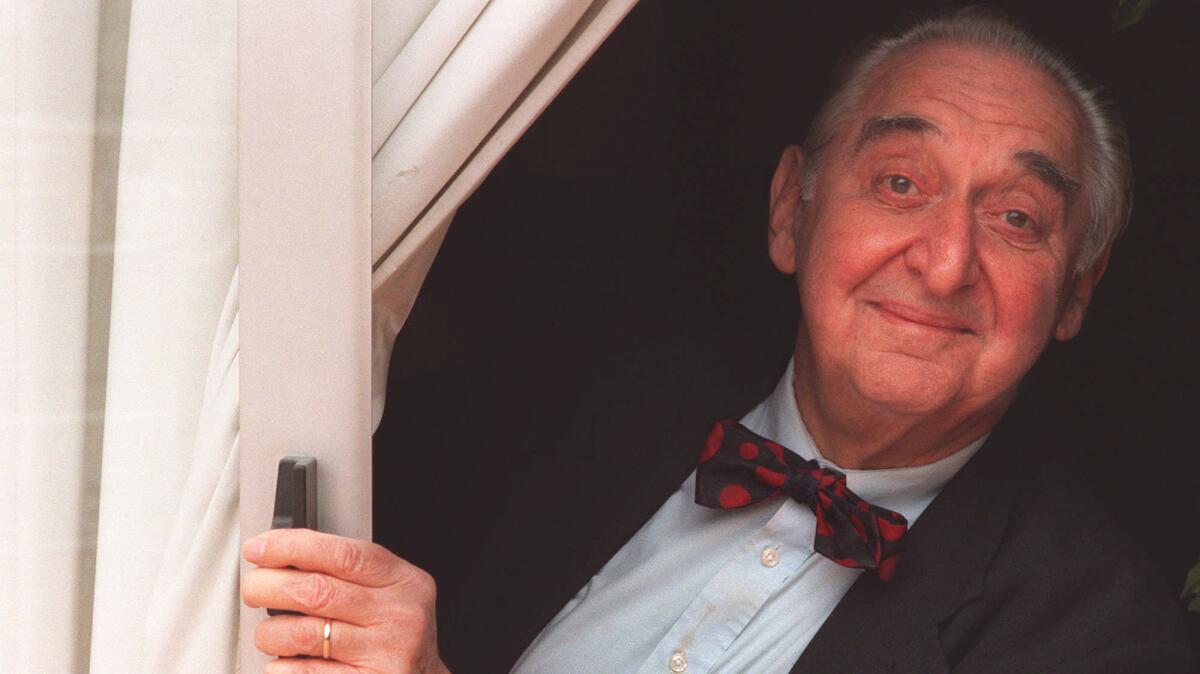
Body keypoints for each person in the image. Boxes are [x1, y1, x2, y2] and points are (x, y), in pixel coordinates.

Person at [241, 8, 1194, 673]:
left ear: (1073, 293)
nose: (945, 264)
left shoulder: (1101, 635)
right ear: (791, 212)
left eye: (1018, 218)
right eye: (901, 183)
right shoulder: (575, 387)